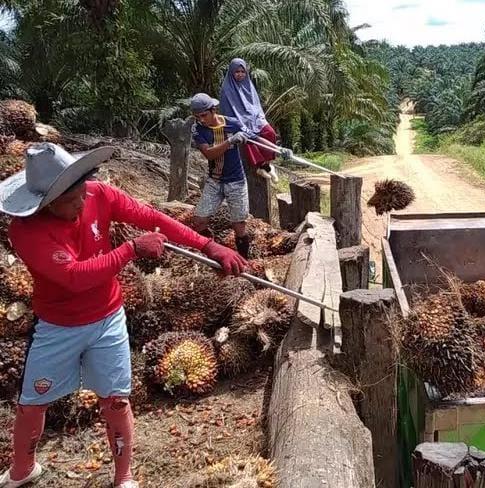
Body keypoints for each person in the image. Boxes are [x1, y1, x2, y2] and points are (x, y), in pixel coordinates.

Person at [0, 142, 246, 488]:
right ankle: (22, 469)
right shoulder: (26, 231)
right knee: (32, 403)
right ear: (46, 204)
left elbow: (152, 217)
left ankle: (123, 477)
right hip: (57, 326)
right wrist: (130, 249)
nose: (82, 203)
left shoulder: (98, 194)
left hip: (107, 319)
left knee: (116, 401)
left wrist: (207, 245)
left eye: (81, 194)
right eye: (70, 202)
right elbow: (74, 277)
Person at [190, 92, 253, 258]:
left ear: (213, 110)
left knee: (238, 224)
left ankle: (244, 262)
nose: (201, 120)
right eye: (197, 116)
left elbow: (252, 135)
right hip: (214, 181)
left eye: (204, 115)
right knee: (199, 221)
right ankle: (213, 251)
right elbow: (209, 154)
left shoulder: (232, 123)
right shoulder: (198, 129)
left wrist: (246, 136)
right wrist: (230, 141)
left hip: (236, 181)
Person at [220, 58, 290, 183]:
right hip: (238, 122)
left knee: (269, 132)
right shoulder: (227, 89)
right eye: (237, 72)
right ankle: (261, 166)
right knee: (246, 138)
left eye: (243, 71)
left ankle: (268, 165)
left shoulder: (249, 85)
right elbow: (228, 112)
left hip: (254, 119)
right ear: (231, 72)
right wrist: (241, 123)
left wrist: (260, 120)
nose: (240, 74)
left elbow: (256, 107)